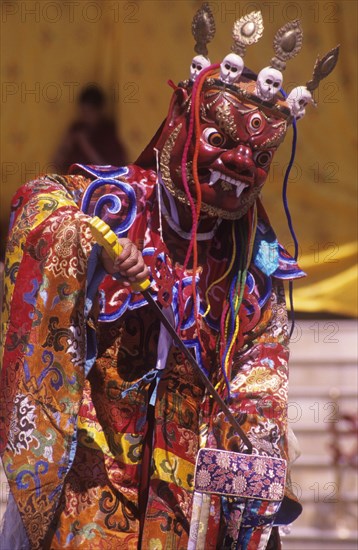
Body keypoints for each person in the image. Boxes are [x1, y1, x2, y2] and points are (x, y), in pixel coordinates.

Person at [0, 6, 338, 549]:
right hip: (91, 472)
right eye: (222, 139)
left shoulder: (253, 264)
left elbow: (258, 384)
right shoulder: (110, 202)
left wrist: (250, 496)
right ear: (181, 118)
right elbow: (33, 207)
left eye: (259, 154)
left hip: (184, 500)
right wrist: (91, 244)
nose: (239, 162)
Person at [52, 84, 127, 173]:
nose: (85, 116)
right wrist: (66, 146)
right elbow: (56, 164)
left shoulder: (108, 133)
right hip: (73, 182)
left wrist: (86, 145)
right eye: (83, 111)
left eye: (89, 111)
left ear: (99, 111)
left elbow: (109, 172)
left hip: (98, 184)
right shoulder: (76, 129)